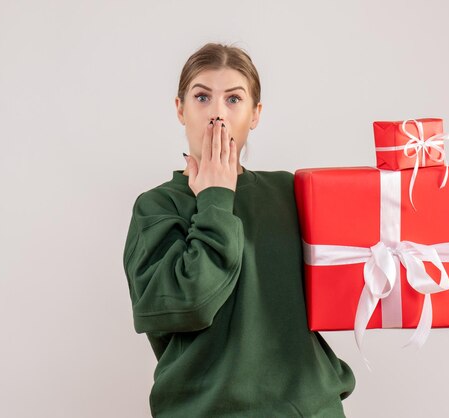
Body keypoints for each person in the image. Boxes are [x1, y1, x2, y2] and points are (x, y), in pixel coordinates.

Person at [122, 42, 356, 418]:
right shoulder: (156, 208)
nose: (217, 114)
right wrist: (215, 196)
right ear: (180, 109)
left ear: (255, 114)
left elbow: (359, 270)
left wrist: (440, 273)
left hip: (310, 409)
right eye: (202, 97)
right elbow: (190, 305)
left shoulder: (289, 191)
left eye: (233, 99)